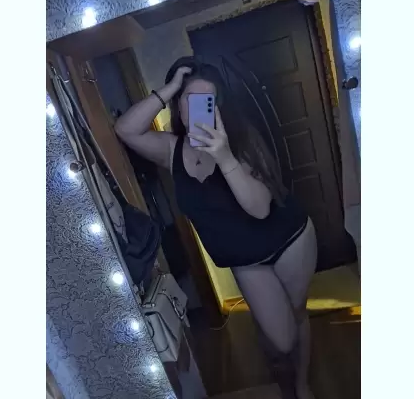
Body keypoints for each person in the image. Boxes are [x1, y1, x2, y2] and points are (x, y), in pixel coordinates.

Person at [115, 57, 317, 399]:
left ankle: (301, 385)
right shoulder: (170, 149)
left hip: (288, 239)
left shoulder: (240, 141)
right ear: (178, 104)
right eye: (189, 99)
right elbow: (126, 130)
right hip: (245, 259)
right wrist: (168, 88)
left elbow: (259, 209)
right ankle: (283, 375)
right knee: (280, 339)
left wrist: (224, 157)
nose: (197, 109)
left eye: (205, 101)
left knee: (296, 315)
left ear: (216, 106)